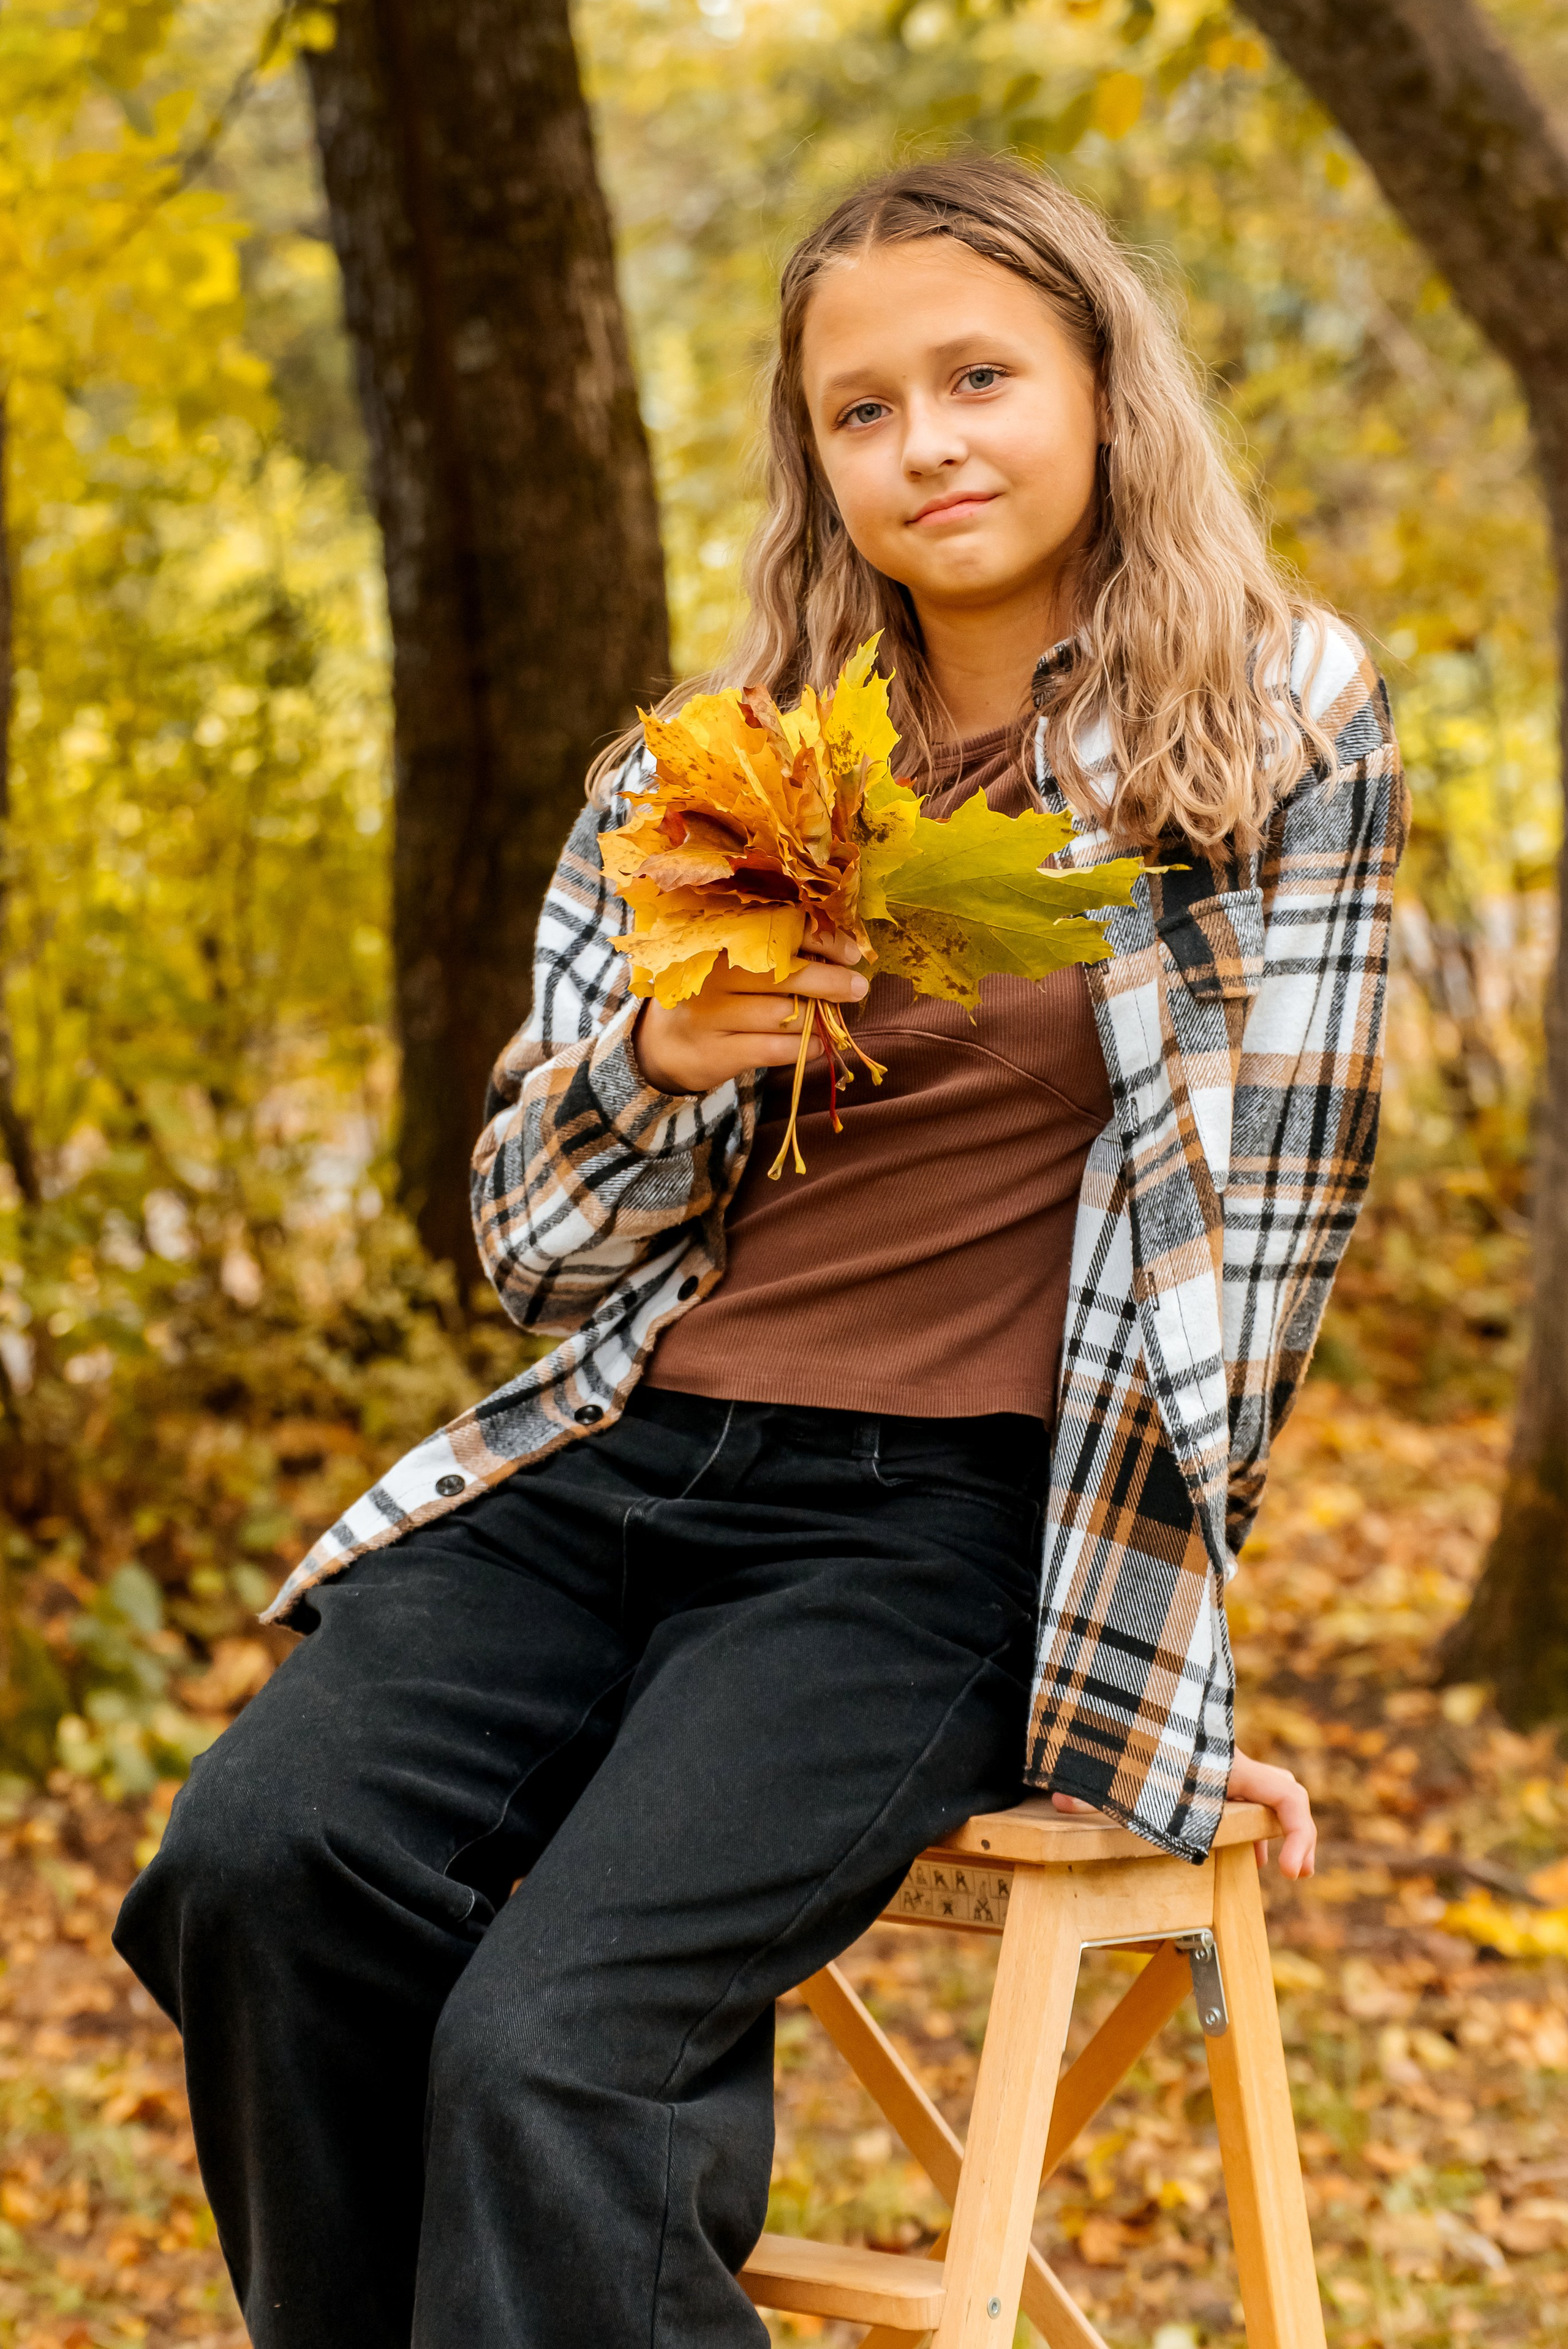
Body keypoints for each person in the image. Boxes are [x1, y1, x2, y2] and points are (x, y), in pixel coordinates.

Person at [114, 156, 1405, 2349]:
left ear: (1102, 380)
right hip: (623, 1460)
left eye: (980, 375)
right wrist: (663, 1054)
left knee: (555, 2052)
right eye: (863, 407)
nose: (929, 444)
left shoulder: (1267, 719)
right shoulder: (699, 775)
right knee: (259, 1863)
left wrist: (1155, 1665)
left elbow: (1263, 1244)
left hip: (926, 1538)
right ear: (813, 455)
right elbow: (524, 1244)